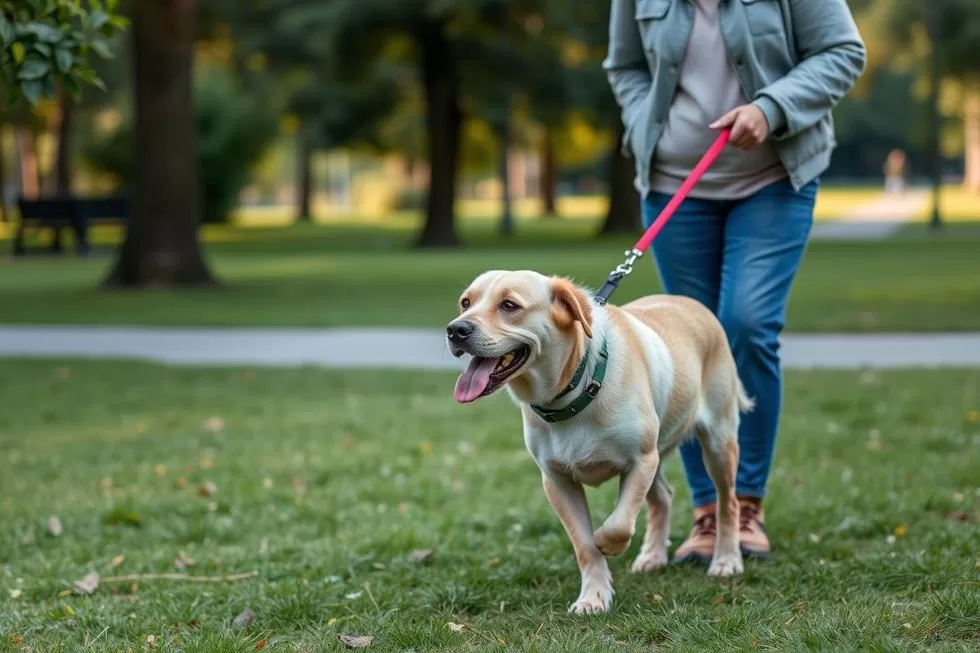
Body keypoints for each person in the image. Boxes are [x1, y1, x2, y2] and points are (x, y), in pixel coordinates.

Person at [603, 0, 865, 563]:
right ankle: (705, 511)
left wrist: (773, 108)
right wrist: (645, 121)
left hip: (772, 180)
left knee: (747, 324)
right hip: (674, 187)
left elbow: (844, 51)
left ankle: (744, 504)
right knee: (686, 346)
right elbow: (624, 68)